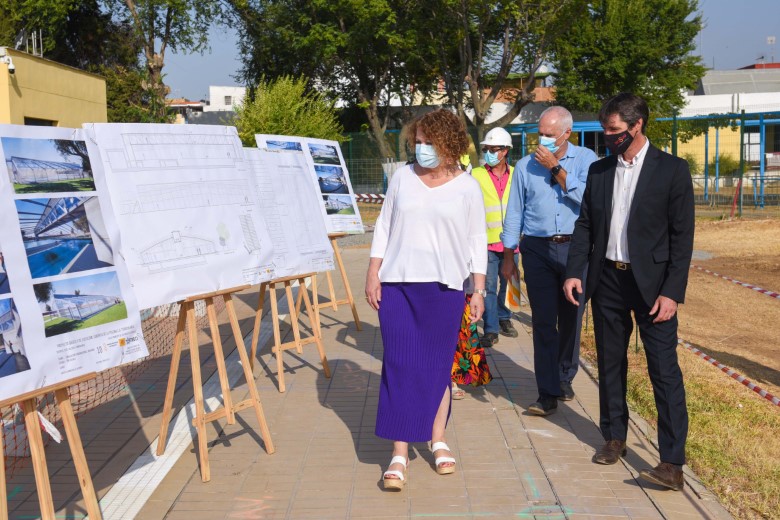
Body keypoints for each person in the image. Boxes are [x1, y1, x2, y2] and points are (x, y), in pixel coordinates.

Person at [563, 93, 694, 491]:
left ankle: (671, 463)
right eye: (605, 130)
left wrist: (672, 292)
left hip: (654, 289)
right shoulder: (601, 171)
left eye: (614, 130)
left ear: (637, 126)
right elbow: (585, 224)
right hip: (608, 283)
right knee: (610, 364)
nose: (608, 137)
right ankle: (614, 437)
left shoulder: (671, 170)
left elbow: (681, 237)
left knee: (663, 372)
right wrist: (574, 272)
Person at [365, 110, 488, 490]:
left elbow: (476, 240)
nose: (420, 148)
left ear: (448, 143)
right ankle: (399, 453)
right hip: (398, 286)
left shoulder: (467, 187)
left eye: (427, 142)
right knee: (400, 365)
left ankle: (437, 439)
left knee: (436, 368)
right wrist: (373, 271)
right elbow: (384, 225)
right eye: (416, 141)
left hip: (446, 289)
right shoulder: (402, 177)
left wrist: (478, 289)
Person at [500, 106, 597, 415]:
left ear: (567, 134)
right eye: (539, 134)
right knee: (543, 322)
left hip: (575, 249)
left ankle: (565, 374)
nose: (542, 140)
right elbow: (514, 212)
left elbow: (589, 201)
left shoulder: (586, 160)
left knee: (572, 317)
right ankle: (547, 392)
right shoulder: (525, 166)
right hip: (537, 249)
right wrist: (508, 255)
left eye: (549, 135)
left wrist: (556, 167)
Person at [471, 127, 519, 349]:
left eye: (494, 149)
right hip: (486, 241)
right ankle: (490, 329)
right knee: (488, 285)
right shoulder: (476, 174)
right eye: (486, 149)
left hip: (512, 242)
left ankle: (504, 317)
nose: (489, 152)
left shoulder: (518, 174)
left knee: (511, 283)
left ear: (505, 151)